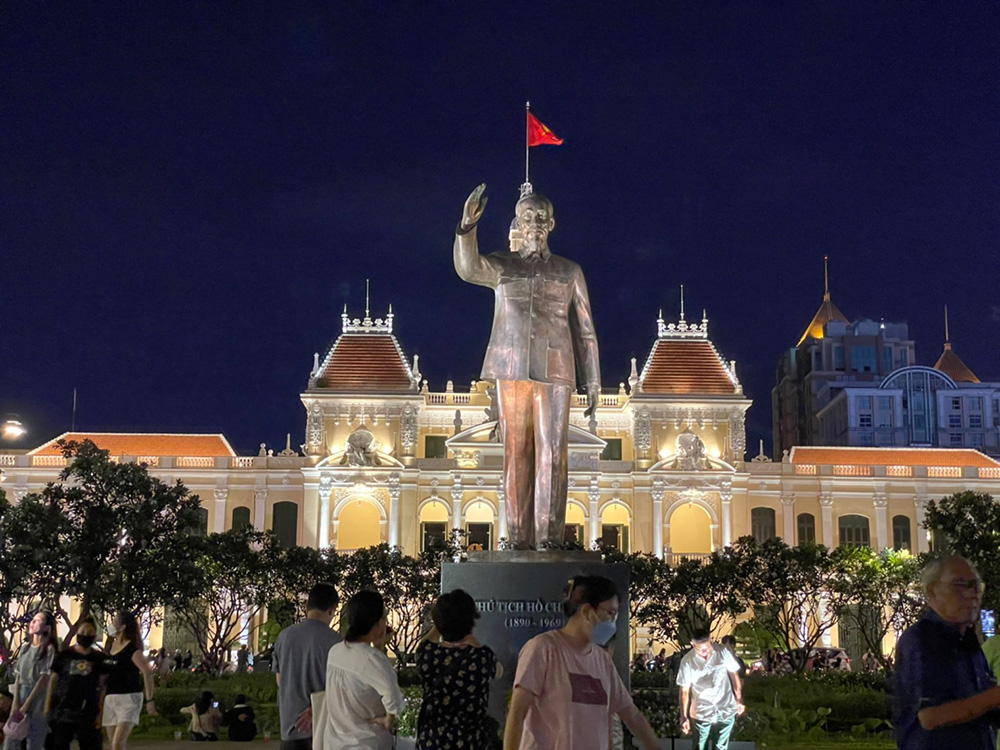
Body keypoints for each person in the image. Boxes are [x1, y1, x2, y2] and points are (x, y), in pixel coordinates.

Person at [453, 185, 601, 550]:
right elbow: (468, 268)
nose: (533, 223)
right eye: (526, 217)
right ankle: (517, 538)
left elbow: (586, 331)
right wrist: (466, 228)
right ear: (517, 222)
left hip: (557, 368)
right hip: (510, 365)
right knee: (515, 452)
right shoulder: (502, 266)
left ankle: (549, 539)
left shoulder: (569, 271)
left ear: (550, 223)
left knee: (553, 453)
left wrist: (593, 379)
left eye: (539, 217)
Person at [503, 575, 659, 750]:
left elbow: (630, 713)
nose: (613, 623)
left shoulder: (602, 660)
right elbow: (517, 712)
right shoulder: (543, 649)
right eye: (610, 613)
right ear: (587, 611)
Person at [894, 555, 1000, 749]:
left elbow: (982, 707)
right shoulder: (922, 639)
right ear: (932, 591)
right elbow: (931, 716)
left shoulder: (968, 641)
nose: (971, 595)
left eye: (975, 586)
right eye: (959, 586)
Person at [322, 590, 405, 750]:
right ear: (378, 623)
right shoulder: (372, 658)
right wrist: (388, 719)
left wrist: (379, 647)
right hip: (366, 742)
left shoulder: (335, 651)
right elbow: (393, 698)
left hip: (334, 742)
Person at [415, 589, 497, 749]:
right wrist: (472, 640)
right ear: (471, 620)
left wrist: (438, 625)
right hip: (470, 741)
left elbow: (423, 643)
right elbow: (495, 669)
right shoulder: (482, 657)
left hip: (433, 740)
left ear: (438, 622)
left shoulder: (427, 655)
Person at [273, 582, 341, 750]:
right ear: (332, 609)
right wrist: (314, 710)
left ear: (307, 606)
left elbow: (280, 679)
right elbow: (340, 687)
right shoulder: (336, 642)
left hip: (289, 726)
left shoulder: (284, 637)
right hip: (322, 728)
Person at [43, 616, 109, 750]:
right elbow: (52, 680)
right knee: (58, 744)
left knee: (91, 744)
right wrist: (47, 706)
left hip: (88, 711)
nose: (85, 635)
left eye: (89, 633)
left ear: (95, 635)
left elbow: (103, 687)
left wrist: (101, 714)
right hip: (63, 710)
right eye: (83, 632)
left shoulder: (99, 658)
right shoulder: (64, 655)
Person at [676, 629, 746, 750]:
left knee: (720, 746)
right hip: (702, 710)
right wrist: (684, 716)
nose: (705, 651)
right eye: (700, 648)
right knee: (699, 746)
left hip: (725, 707)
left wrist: (739, 699)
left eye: (707, 647)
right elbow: (684, 691)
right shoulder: (687, 661)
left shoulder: (722, 651)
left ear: (711, 641)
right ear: (692, 644)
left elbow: (734, 676)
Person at [4, 610, 59, 750]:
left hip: (37, 698)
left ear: (47, 627)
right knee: (11, 738)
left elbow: (43, 679)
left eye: (38, 620)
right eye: (32, 620)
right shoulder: (24, 648)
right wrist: (16, 702)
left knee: (34, 741)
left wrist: (26, 705)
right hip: (21, 693)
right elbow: (18, 676)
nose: (32, 623)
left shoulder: (49, 650)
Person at [102, 612, 156, 750]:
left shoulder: (132, 649)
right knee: (113, 744)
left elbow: (147, 672)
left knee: (118, 744)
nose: (111, 625)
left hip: (129, 698)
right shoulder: (110, 647)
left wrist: (149, 700)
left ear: (123, 626)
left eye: (115, 622)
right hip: (111, 698)